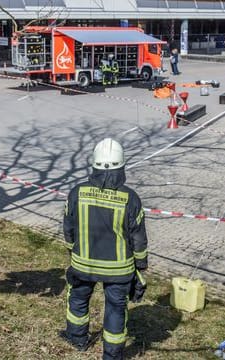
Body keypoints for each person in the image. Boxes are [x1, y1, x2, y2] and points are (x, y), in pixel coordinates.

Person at [60, 138, 149, 360]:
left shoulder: (76, 192)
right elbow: (138, 238)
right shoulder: (131, 198)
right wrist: (141, 264)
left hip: (83, 264)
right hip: (118, 270)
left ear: (94, 165)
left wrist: (73, 250)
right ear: (122, 166)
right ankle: (112, 355)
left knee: (78, 299)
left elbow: (68, 227)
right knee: (116, 310)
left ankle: (76, 337)